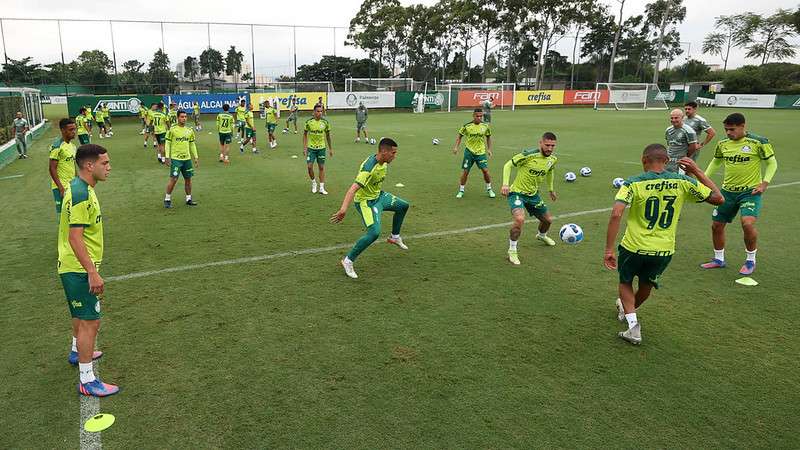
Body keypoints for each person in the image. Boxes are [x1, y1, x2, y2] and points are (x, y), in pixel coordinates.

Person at [604, 145, 723, 345]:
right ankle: (628, 310)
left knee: (625, 281)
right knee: (646, 284)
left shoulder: (633, 183)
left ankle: (632, 324)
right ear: (667, 161)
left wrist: (608, 249)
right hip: (663, 249)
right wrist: (697, 171)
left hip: (633, 246)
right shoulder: (683, 181)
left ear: (643, 160)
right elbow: (719, 198)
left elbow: (616, 213)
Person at [57, 144, 118, 396]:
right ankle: (87, 379)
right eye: (105, 163)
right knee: (90, 322)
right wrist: (92, 271)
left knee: (79, 316)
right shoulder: (81, 193)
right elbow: (75, 238)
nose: (109, 167)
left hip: (72, 265)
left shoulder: (79, 186)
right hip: (78, 268)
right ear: (89, 165)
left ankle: (76, 351)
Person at [699, 113, 778, 276]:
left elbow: (772, 163)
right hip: (727, 192)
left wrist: (764, 183)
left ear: (743, 126)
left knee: (747, 223)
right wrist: (704, 179)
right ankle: (718, 259)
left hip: (750, 192)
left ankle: (750, 260)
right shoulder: (723, 144)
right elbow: (716, 162)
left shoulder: (758, 142)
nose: (728, 133)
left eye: (732, 129)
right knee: (716, 225)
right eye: (726, 129)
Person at [330, 137, 409, 279]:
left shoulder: (383, 162)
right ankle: (348, 261)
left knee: (403, 206)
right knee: (374, 233)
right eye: (393, 153)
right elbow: (352, 190)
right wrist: (343, 209)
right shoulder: (368, 168)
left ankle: (394, 237)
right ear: (384, 152)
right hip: (366, 202)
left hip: (379, 197)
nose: (395, 156)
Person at [501, 132, 559, 265]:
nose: (549, 148)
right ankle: (512, 251)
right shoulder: (528, 155)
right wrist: (505, 184)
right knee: (519, 219)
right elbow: (508, 165)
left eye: (552, 146)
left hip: (533, 195)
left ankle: (541, 235)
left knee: (548, 220)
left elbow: (550, 172)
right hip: (517, 193)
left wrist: (551, 189)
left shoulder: (552, 159)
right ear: (540, 143)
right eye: (547, 145)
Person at [453, 108, 494, 198]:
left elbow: (488, 137)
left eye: (481, 116)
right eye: (477, 116)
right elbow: (460, 136)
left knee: (485, 171)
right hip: (469, 152)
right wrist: (456, 147)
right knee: (466, 171)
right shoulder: (467, 126)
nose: (479, 118)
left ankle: (489, 189)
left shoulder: (485, 126)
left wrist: (489, 149)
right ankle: (461, 190)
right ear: (473, 116)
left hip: (480, 152)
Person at [164, 111, 199, 208]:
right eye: (182, 117)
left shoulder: (189, 130)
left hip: (187, 159)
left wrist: (195, 157)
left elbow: (192, 144)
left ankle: (188, 199)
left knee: (188, 179)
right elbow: (167, 143)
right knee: (174, 179)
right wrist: (167, 156)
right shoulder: (172, 130)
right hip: (176, 159)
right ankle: (167, 199)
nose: (184, 118)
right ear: (177, 118)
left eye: (185, 117)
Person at [49, 118, 78, 214]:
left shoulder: (72, 146)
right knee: (63, 215)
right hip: (61, 187)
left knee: (73, 214)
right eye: (71, 130)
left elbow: (73, 164)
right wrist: (60, 188)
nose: (74, 132)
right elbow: (52, 168)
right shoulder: (57, 146)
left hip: (72, 185)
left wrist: (77, 181)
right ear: (63, 130)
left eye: (74, 129)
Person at [303, 104, 333, 195]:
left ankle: (322, 187)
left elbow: (328, 136)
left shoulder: (325, 123)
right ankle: (314, 183)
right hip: (311, 148)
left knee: (321, 167)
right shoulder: (309, 122)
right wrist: (304, 148)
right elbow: (304, 135)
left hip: (321, 148)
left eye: (321, 111)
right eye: (318, 111)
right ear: (314, 112)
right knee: (309, 167)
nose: (320, 113)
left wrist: (330, 148)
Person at [665, 108, 698, 173]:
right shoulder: (668, 130)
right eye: (672, 118)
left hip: (681, 162)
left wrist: (684, 157)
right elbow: (669, 145)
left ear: (682, 118)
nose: (673, 120)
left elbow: (693, 147)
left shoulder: (689, 131)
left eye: (676, 118)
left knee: (679, 180)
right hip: (669, 161)